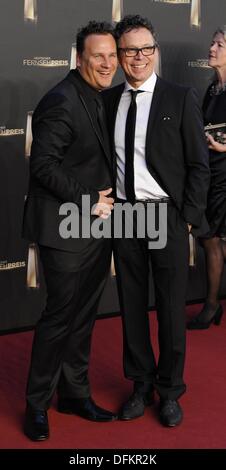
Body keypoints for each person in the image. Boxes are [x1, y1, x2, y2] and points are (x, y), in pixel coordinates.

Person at [103, 15, 210, 427]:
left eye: (147, 48)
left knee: (168, 308)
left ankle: (170, 391)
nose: (140, 57)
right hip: (125, 215)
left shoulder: (179, 97)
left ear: (156, 51)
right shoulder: (109, 101)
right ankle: (140, 385)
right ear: (120, 55)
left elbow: (199, 165)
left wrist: (187, 218)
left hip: (165, 214)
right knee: (132, 306)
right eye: (130, 50)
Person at [22, 21, 118, 441]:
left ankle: (74, 394)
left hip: (94, 227)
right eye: (99, 56)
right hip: (66, 226)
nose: (108, 63)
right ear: (79, 58)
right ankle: (36, 404)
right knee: (60, 317)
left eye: (112, 55)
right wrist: (89, 200)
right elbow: (42, 166)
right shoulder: (61, 100)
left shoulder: (96, 95)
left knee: (82, 316)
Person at [187, 27, 226, 330]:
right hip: (210, 172)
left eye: (220, 44)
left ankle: (212, 305)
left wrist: (223, 146)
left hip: (224, 174)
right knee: (208, 238)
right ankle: (213, 304)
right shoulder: (212, 88)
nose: (212, 48)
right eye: (212, 43)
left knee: (210, 238)